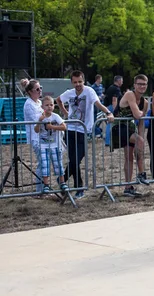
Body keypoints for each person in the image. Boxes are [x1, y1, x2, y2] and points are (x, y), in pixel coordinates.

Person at [56, 70, 114, 199]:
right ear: (72, 82)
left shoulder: (89, 91)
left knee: (77, 158)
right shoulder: (69, 93)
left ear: (83, 80)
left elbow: (97, 103)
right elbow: (58, 100)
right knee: (73, 160)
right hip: (70, 129)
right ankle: (79, 187)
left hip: (83, 130)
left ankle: (62, 179)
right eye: (75, 82)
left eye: (80, 82)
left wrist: (108, 112)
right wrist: (65, 112)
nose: (78, 84)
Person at [111, 74, 150, 197]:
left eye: (144, 84)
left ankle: (128, 187)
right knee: (139, 143)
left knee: (130, 157)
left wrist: (141, 136)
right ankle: (141, 174)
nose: (141, 86)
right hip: (119, 127)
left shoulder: (145, 102)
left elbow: (141, 123)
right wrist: (140, 140)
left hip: (131, 128)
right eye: (139, 84)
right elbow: (138, 115)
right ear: (134, 85)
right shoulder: (129, 95)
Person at [34, 96, 68, 194]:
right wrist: (39, 121)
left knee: (58, 163)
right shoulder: (40, 117)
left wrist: (52, 126)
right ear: (42, 106)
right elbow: (36, 130)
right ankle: (46, 185)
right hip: (43, 145)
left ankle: (62, 182)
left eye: (51, 105)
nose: (49, 107)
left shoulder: (55, 116)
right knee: (45, 165)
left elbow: (64, 127)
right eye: (47, 105)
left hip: (55, 145)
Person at [21, 78, 44, 193]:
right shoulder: (29, 104)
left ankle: (42, 188)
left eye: (41, 88)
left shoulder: (39, 102)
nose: (40, 91)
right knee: (42, 162)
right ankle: (39, 189)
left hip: (44, 136)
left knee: (45, 162)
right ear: (30, 91)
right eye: (37, 89)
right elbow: (37, 121)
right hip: (36, 137)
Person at [103, 75, 123, 147]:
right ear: (118, 81)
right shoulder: (116, 89)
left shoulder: (110, 87)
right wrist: (115, 111)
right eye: (121, 80)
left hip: (108, 106)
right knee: (111, 123)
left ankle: (109, 140)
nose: (122, 82)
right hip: (112, 107)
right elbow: (114, 100)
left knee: (110, 124)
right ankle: (108, 141)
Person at [91, 74, 104, 138]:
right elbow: (93, 95)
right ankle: (97, 131)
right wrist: (98, 97)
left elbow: (101, 93)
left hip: (101, 103)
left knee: (100, 117)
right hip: (95, 105)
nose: (101, 80)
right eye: (101, 79)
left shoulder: (101, 86)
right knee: (94, 118)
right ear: (98, 79)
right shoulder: (93, 87)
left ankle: (97, 130)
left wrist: (102, 95)